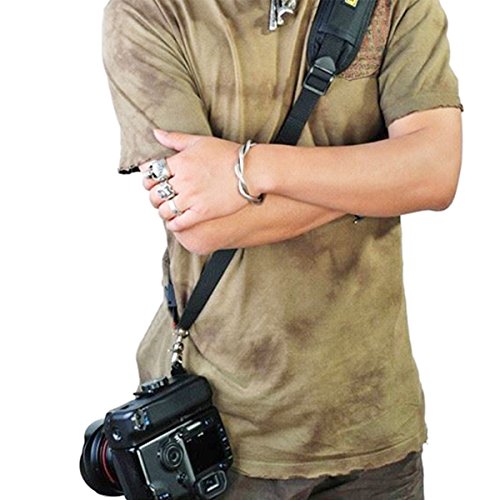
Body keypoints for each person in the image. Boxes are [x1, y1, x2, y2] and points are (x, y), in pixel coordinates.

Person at [102, 0, 462, 498]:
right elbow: (201, 225)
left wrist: (248, 168)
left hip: (373, 423)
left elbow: (435, 173)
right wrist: (377, 175)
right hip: (221, 435)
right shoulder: (149, 12)